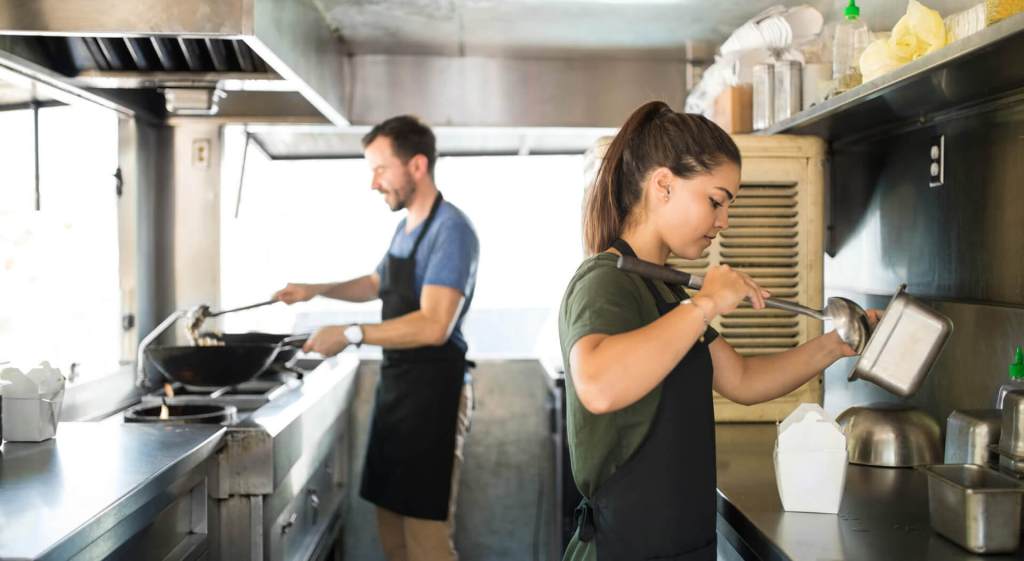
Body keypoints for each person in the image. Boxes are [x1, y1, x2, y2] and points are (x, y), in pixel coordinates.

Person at [558, 101, 878, 561]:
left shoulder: (665, 289)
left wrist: (838, 343)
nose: (724, 221)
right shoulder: (605, 281)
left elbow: (742, 379)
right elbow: (599, 386)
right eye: (715, 201)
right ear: (663, 185)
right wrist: (706, 304)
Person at [274, 115, 478, 561]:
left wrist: (351, 334)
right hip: (400, 393)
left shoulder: (451, 230)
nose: (373, 183)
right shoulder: (406, 228)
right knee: (392, 529)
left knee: (425, 539)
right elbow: (375, 283)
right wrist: (315, 289)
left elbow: (434, 325)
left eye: (381, 169)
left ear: (417, 166)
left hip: (435, 399)